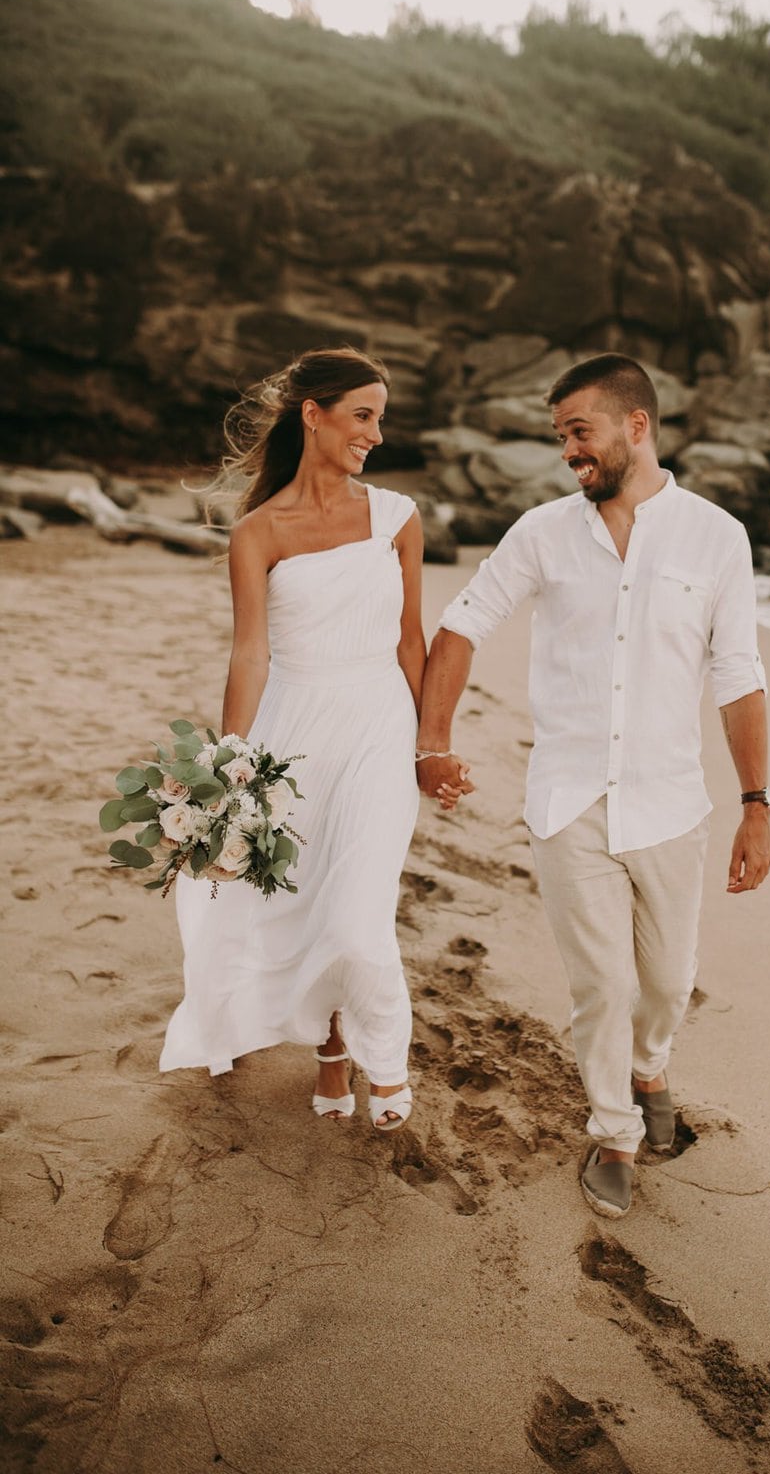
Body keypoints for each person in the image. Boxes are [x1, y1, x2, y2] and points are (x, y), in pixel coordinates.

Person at [416, 353, 770, 1216]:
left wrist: (756, 806)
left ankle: (650, 1069)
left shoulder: (715, 536)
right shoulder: (540, 532)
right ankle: (614, 1130)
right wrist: (432, 740)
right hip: (566, 798)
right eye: (560, 436)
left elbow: (738, 675)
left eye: (580, 432)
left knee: (666, 981)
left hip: (670, 803)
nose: (568, 452)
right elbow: (463, 624)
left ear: (635, 426)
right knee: (602, 985)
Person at [160, 346, 425, 1132]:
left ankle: (385, 1063)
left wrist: (430, 746)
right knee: (305, 898)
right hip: (293, 731)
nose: (375, 434)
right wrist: (230, 766)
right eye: (363, 415)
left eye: (381, 417)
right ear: (314, 415)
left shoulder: (399, 517)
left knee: (358, 910)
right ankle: (331, 1050)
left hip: (381, 720)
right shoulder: (257, 533)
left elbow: (413, 641)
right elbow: (251, 652)